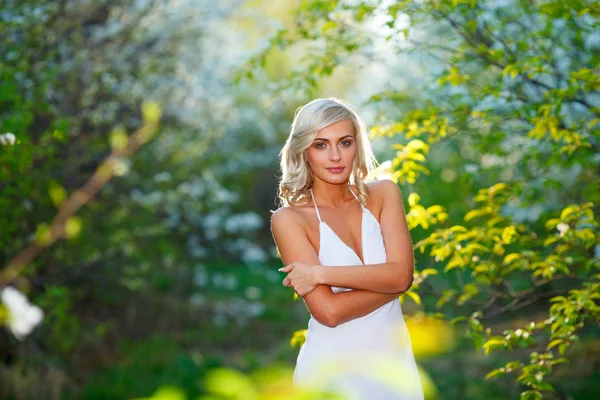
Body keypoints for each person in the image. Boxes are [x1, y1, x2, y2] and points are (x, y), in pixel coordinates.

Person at [270, 97, 424, 400]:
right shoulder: (289, 219)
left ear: (358, 145)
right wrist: (392, 280)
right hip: (330, 374)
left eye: (345, 142)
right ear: (304, 152)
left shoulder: (383, 194)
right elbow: (329, 312)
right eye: (321, 145)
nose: (336, 156)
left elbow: (402, 276)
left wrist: (320, 274)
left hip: (394, 368)